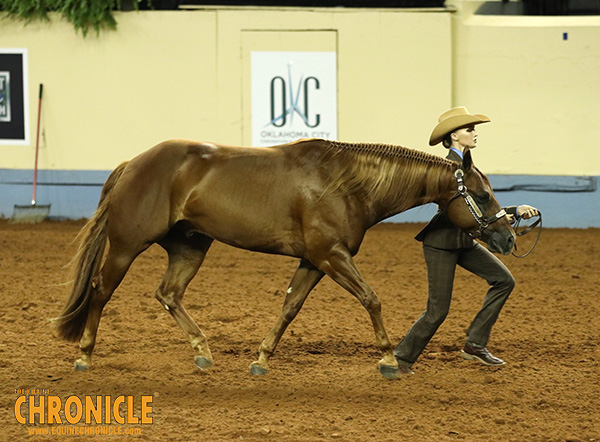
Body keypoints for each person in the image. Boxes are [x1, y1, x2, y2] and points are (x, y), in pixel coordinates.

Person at [394, 106, 539, 373]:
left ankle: (475, 344)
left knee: (504, 280)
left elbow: (480, 210)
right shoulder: (446, 169)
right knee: (437, 311)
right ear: (454, 136)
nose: (474, 133)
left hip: (465, 242)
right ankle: (400, 358)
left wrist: (513, 211)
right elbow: (459, 211)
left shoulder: (470, 168)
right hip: (441, 243)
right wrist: (510, 212)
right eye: (469, 129)